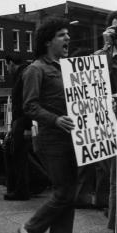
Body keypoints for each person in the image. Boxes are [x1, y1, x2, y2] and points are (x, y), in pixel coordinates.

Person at [19, 17, 77, 233]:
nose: (68, 38)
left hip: (72, 139)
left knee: (70, 194)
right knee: (63, 193)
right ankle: (29, 229)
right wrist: (55, 119)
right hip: (51, 140)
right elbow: (30, 106)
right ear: (47, 41)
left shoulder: (68, 68)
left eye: (67, 34)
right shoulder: (36, 69)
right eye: (62, 35)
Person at [95, 10, 117, 231]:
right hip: (109, 122)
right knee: (114, 177)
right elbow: (94, 77)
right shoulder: (101, 54)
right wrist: (107, 46)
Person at [3, 55, 32, 201]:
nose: (6, 70)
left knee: (19, 157)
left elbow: (27, 102)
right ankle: (19, 188)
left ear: (11, 63)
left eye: (6, 66)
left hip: (21, 122)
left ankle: (21, 191)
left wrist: (27, 127)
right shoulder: (23, 73)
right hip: (19, 121)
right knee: (18, 155)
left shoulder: (23, 75)